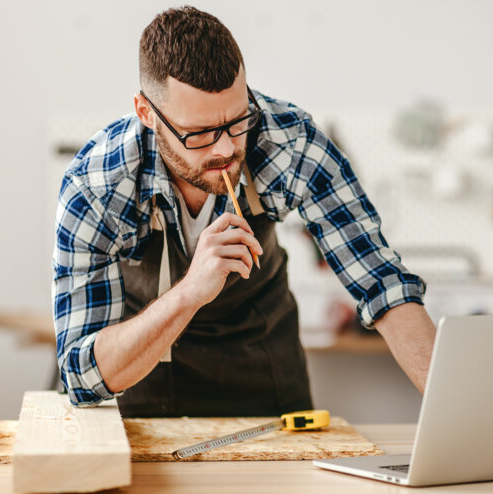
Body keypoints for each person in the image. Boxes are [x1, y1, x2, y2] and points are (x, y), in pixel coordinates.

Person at [52, 6, 436, 417]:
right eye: (198, 134)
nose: (224, 150)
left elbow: (383, 285)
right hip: (142, 386)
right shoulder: (97, 186)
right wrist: (189, 292)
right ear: (147, 113)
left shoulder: (288, 143)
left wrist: (461, 417)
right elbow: (81, 377)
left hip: (266, 380)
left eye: (237, 121)